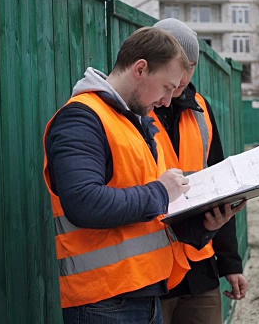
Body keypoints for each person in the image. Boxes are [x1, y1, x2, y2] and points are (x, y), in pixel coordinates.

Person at [42, 27, 245, 324]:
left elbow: (150, 221)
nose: (167, 100)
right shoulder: (81, 118)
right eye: (166, 87)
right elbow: (84, 202)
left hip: (144, 293)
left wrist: (206, 227)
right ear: (140, 69)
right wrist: (162, 192)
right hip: (105, 301)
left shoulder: (133, 123)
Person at [151, 19, 248, 324]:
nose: (183, 76)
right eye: (178, 65)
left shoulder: (201, 108)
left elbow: (221, 182)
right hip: (153, 269)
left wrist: (230, 262)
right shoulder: (137, 106)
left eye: (190, 67)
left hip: (200, 264)